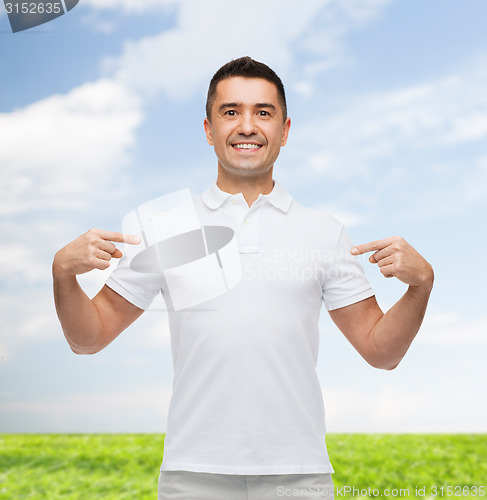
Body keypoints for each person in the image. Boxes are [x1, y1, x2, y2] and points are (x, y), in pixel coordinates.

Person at [52, 56, 434, 499]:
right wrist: (63, 275)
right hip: (193, 474)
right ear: (208, 129)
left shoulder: (325, 233)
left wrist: (419, 285)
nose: (247, 126)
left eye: (263, 112)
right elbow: (89, 338)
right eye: (231, 112)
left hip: (299, 476)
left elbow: (380, 351)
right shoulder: (166, 229)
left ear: (285, 130)